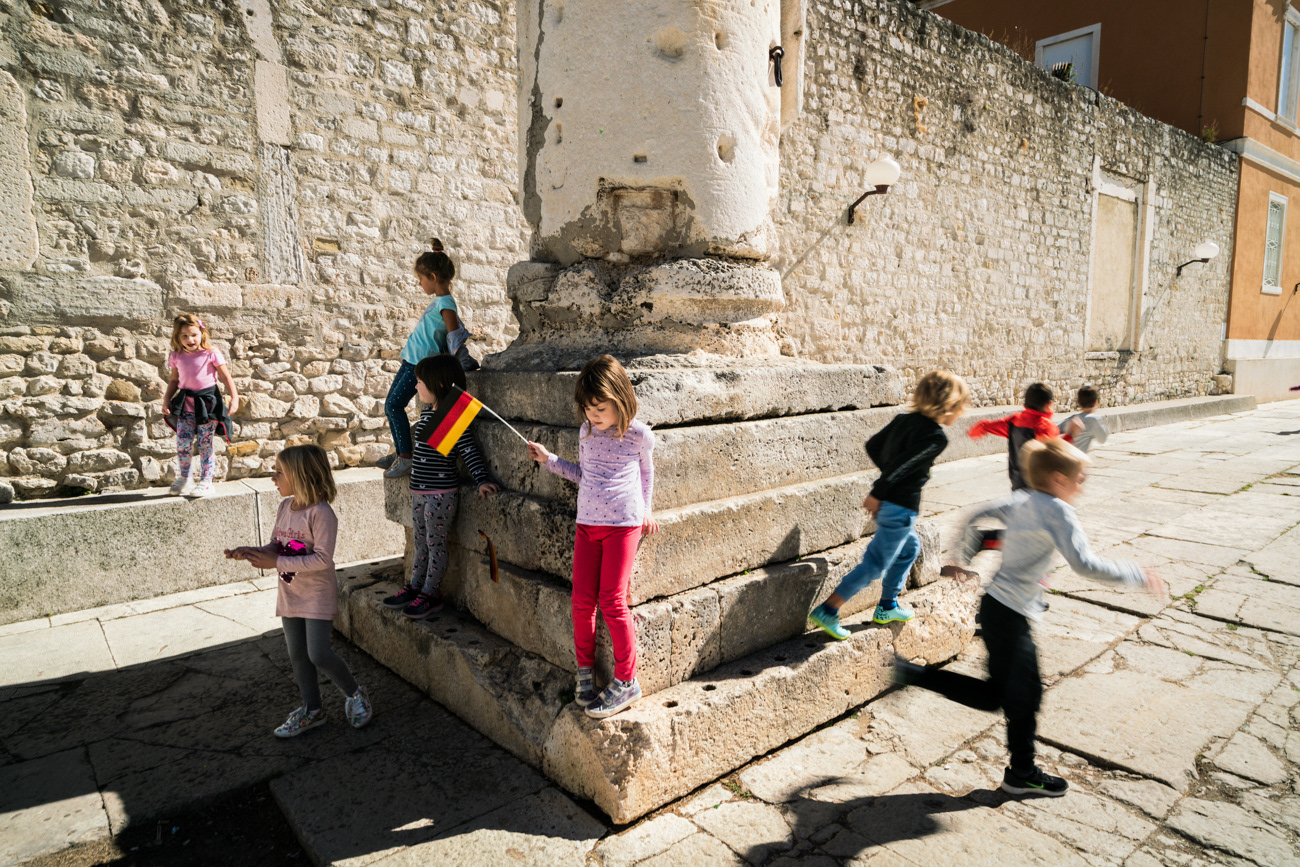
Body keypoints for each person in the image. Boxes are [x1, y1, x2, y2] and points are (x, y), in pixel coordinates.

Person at [895, 438, 1164, 797]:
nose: (1083, 486)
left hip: (997, 610)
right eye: (1079, 478)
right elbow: (1086, 565)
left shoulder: (1023, 498)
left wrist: (963, 551)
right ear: (1057, 479)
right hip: (1008, 616)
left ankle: (912, 675)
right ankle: (1021, 773)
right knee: (1025, 696)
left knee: (999, 696)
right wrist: (1136, 574)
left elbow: (976, 515)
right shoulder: (1058, 510)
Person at [525, 355, 658, 719]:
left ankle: (627, 680)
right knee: (582, 601)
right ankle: (585, 671)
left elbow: (647, 473)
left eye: (600, 407)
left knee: (612, 600)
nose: (593, 414)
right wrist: (549, 459)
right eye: (587, 408)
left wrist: (646, 509)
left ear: (620, 399)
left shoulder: (639, 435)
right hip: (587, 524)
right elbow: (584, 474)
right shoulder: (586, 432)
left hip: (622, 525)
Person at [808, 371, 970, 639]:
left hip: (892, 506)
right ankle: (829, 609)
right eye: (960, 408)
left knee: (910, 548)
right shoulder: (935, 437)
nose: (960, 414)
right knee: (875, 564)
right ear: (949, 405)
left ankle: (887, 605)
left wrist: (888, 477)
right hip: (899, 508)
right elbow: (904, 465)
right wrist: (881, 489)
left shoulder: (904, 420)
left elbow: (873, 446)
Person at [225, 445, 373, 737]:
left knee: (318, 653)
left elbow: (322, 559)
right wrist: (254, 553)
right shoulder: (284, 507)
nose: (273, 479)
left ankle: (356, 695)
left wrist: (276, 560)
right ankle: (312, 710)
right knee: (298, 655)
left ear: (301, 476)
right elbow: (276, 545)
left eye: (279, 473)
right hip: (290, 592)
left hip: (316, 594)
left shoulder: (321, 514)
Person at [381, 355, 500, 619]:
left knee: (435, 544)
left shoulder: (453, 419)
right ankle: (415, 586)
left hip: (439, 496)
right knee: (421, 543)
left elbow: (468, 450)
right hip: (419, 494)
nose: (416, 387)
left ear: (439, 384)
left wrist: (481, 479)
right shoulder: (427, 415)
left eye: (420, 382)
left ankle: (430, 593)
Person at [381, 239, 474, 479]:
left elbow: (454, 337)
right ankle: (400, 453)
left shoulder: (446, 304)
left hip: (420, 363)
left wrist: (464, 363)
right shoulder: (439, 301)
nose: (419, 283)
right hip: (410, 359)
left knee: (394, 405)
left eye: (421, 279)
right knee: (391, 404)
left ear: (433, 276)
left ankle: (405, 458)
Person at [162, 313, 239, 499]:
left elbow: (226, 377)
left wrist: (234, 398)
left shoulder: (211, 353)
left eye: (194, 334)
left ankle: (206, 481)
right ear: (177, 337)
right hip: (186, 404)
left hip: (207, 404)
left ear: (201, 334)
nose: (190, 339)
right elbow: (174, 380)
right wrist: (166, 399)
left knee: (205, 443)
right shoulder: (176, 356)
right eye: (184, 336)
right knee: (183, 442)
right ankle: (186, 477)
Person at [969, 381, 1059, 491]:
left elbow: (987, 426)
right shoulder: (1045, 426)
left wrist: (977, 430)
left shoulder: (1015, 420)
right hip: (1040, 489)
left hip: (1017, 483)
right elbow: (1056, 456)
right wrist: (1071, 435)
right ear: (1048, 404)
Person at [1058, 384, 1109, 454]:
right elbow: (1102, 439)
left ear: (1078, 402)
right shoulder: (1094, 420)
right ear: (1096, 402)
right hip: (1078, 460)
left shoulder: (1070, 419)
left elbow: (1055, 430)